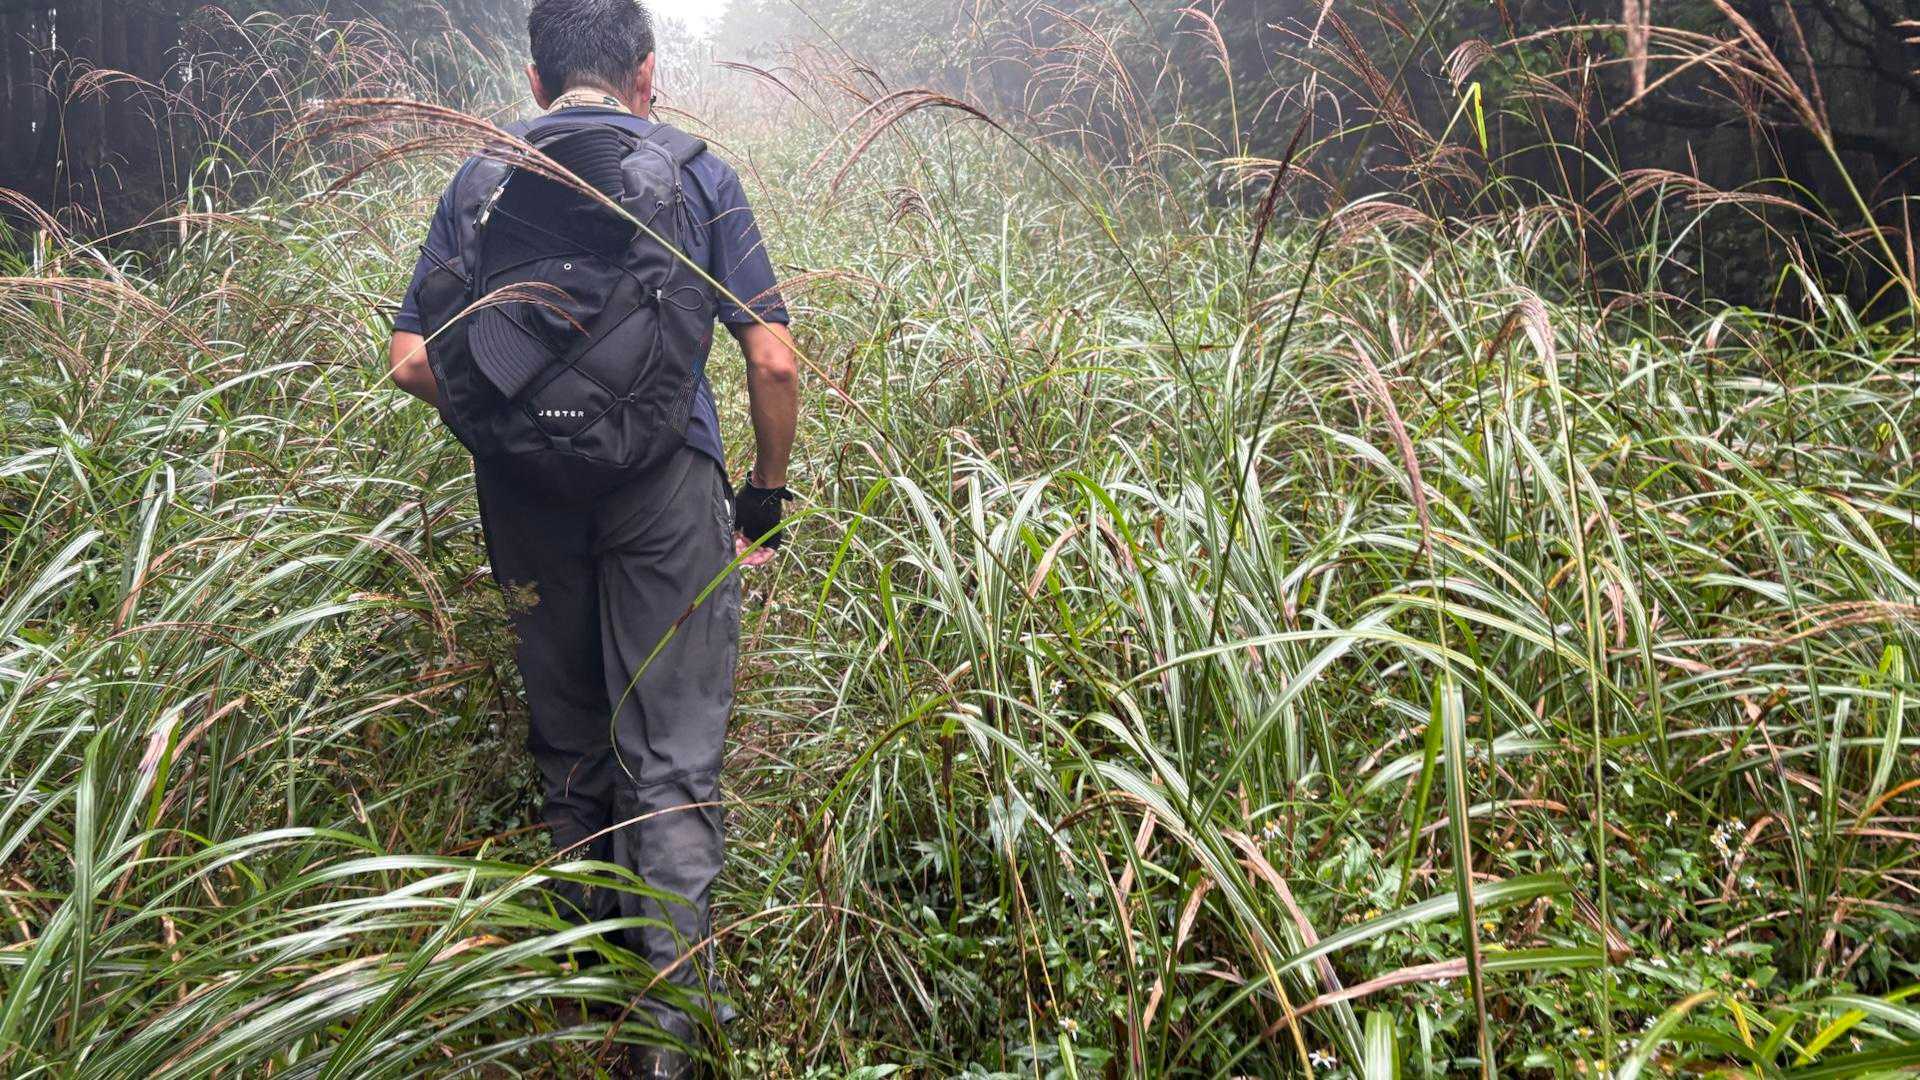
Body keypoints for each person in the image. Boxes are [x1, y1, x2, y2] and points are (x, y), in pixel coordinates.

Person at [384, 1, 799, 1074]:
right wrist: (763, 495)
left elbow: (413, 360)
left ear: (535, 79)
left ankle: (581, 993)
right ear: (646, 74)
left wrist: (517, 429)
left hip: (525, 499)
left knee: (570, 742)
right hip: (668, 490)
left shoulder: (481, 178)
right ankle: (665, 1042)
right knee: (671, 756)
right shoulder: (696, 171)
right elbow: (772, 360)